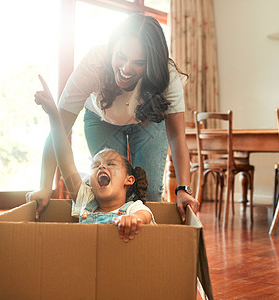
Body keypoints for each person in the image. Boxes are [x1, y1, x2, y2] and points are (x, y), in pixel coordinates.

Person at [28, 13, 198, 221]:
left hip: (147, 121)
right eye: (122, 56)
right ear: (112, 48)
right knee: (106, 192)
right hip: (100, 121)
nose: (126, 68)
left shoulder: (167, 76)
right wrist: (45, 186)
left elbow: (177, 138)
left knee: (150, 193)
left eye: (139, 62)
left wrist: (183, 189)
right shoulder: (93, 66)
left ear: (152, 64)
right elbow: (59, 130)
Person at [35, 75, 155, 242]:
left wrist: (134, 220)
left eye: (110, 164)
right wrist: (54, 114)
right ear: (90, 182)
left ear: (129, 179)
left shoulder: (134, 208)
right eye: (96, 165)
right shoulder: (85, 198)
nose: (101, 167)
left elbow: (145, 216)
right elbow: (65, 159)